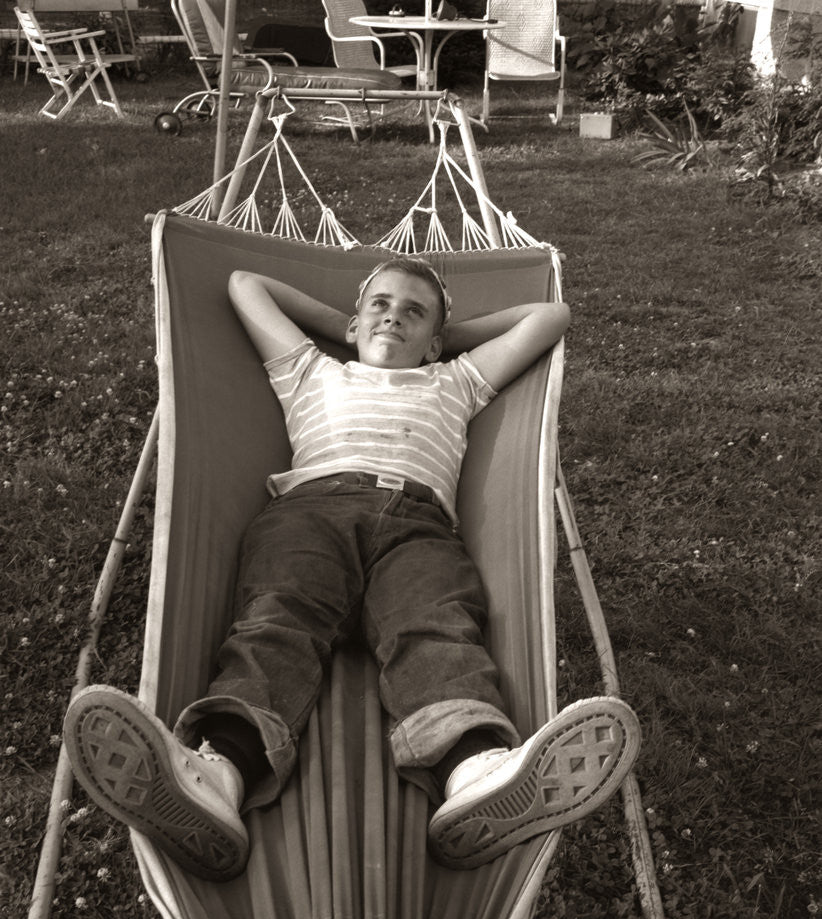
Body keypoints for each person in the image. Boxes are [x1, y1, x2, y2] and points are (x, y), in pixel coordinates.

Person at [64, 257, 640, 881]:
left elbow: (550, 316)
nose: (394, 316)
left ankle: (474, 773)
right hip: (312, 511)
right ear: (354, 322)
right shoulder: (308, 370)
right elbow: (242, 285)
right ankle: (220, 775)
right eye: (381, 305)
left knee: (435, 628)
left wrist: (443, 336)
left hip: (418, 527)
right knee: (275, 620)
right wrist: (345, 325)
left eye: (414, 312)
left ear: (437, 341)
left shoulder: (457, 380)